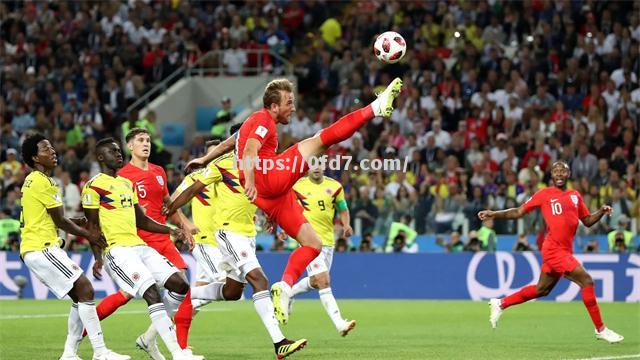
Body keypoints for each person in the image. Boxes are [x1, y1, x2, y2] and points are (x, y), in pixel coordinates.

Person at [185, 77, 403, 324]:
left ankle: (285, 287)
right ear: (274, 106)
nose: (294, 108)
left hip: (272, 196)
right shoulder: (263, 120)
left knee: (313, 244)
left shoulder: (251, 123)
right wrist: (251, 182)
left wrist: (204, 160)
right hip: (268, 178)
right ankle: (376, 108)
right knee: (322, 139)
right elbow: (249, 151)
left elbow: (230, 144)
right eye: (289, 102)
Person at [165, 143, 308, 359]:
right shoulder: (222, 164)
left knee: (232, 292)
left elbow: (266, 194)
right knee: (260, 280)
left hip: (248, 233)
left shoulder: (258, 165)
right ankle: (279, 342)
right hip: (228, 233)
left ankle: (189, 293)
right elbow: (193, 189)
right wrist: (171, 210)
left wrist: (272, 217)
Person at [81, 138, 202, 360]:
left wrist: (171, 230)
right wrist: (98, 257)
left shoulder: (126, 184)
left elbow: (142, 221)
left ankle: (148, 339)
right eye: (112, 152)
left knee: (180, 284)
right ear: (100, 157)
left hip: (140, 246)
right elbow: (92, 227)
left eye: (119, 151)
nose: (118, 154)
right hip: (118, 251)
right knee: (151, 293)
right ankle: (178, 352)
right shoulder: (93, 186)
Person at [478, 161, 624, 343]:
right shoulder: (544, 194)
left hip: (565, 249)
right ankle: (601, 329)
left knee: (542, 290)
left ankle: (500, 303)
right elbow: (518, 212)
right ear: (552, 175)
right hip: (553, 249)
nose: (559, 173)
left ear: (568, 174)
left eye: (563, 170)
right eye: (556, 171)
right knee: (586, 281)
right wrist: (494, 214)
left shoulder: (575, 196)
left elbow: (586, 220)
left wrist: (601, 211)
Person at [19, 133, 129, 360]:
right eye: (46, 149)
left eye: (51, 147)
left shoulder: (33, 180)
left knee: (80, 297)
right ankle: (100, 352)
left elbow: (52, 216)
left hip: (37, 247)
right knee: (86, 290)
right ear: (35, 158)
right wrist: (90, 234)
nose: (53, 152)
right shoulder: (43, 181)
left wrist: (76, 222)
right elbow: (60, 221)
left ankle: (70, 353)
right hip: (42, 247)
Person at [289, 165, 356, 337]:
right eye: (312, 164)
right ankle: (339, 323)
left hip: (327, 241)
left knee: (315, 281)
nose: (315, 168)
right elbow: (287, 208)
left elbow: (342, 208)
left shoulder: (335, 186)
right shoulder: (297, 186)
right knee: (324, 281)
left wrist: (346, 224)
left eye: (318, 163)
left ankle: (288, 293)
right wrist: (284, 229)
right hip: (307, 240)